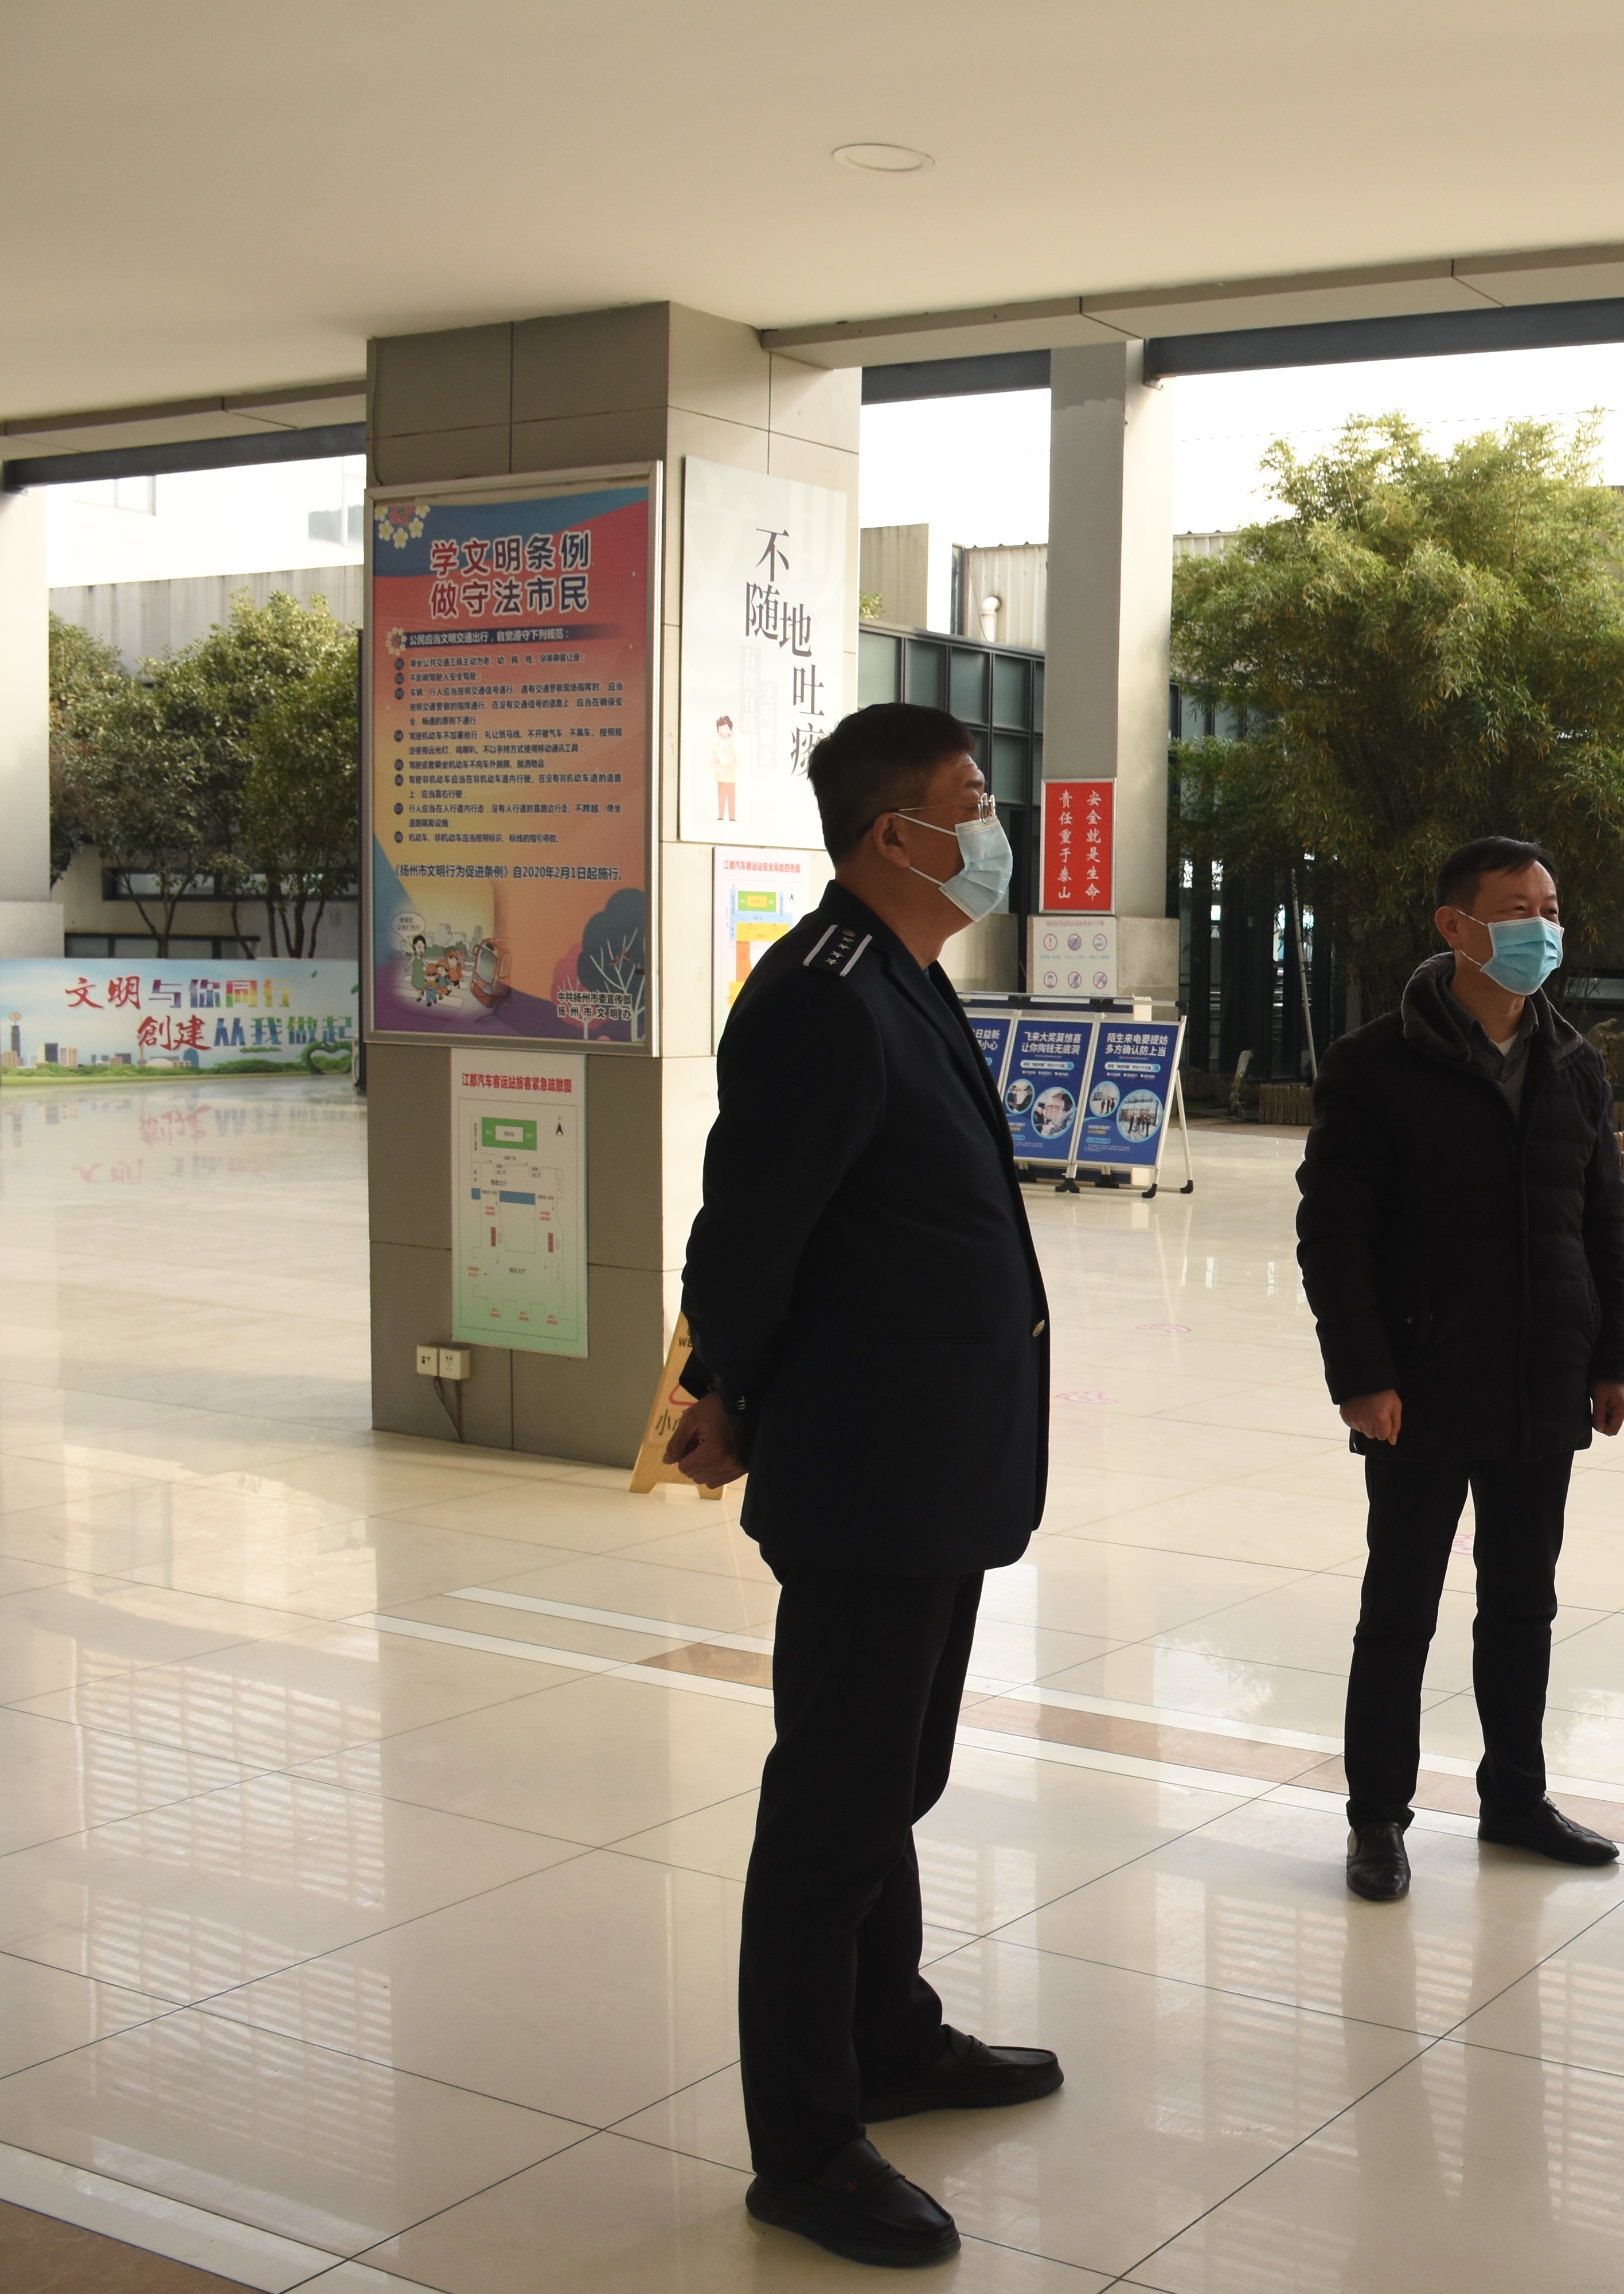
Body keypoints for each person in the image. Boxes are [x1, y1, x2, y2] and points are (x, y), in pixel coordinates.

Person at [668, 701, 1060, 2270]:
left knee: (893, 1781)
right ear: (895, 834)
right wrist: (721, 1389)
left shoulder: (902, 973)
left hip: (935, 1459)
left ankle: (889, 2036)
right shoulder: (822, 996)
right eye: (972, 801)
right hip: (869, 1474)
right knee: (832, 1813)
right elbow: (746, 1232)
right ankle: (807, 2146)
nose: (994, 825)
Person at [1297, 834, 1624, 1903]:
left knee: (1523, 1605)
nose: (1543, 928)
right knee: (1401, 1608)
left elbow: (1600, 1225)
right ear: (1456, 926)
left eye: (1552, 909)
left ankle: (1516, 1800)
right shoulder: (1374, 1065)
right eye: (1518, 909)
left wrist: (1613, 1358)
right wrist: (1362, 1374)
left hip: (1544, 1378)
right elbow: (1334, 1236)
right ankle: (1377, 1817)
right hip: (1420, 1383)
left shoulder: (1574, 1064)